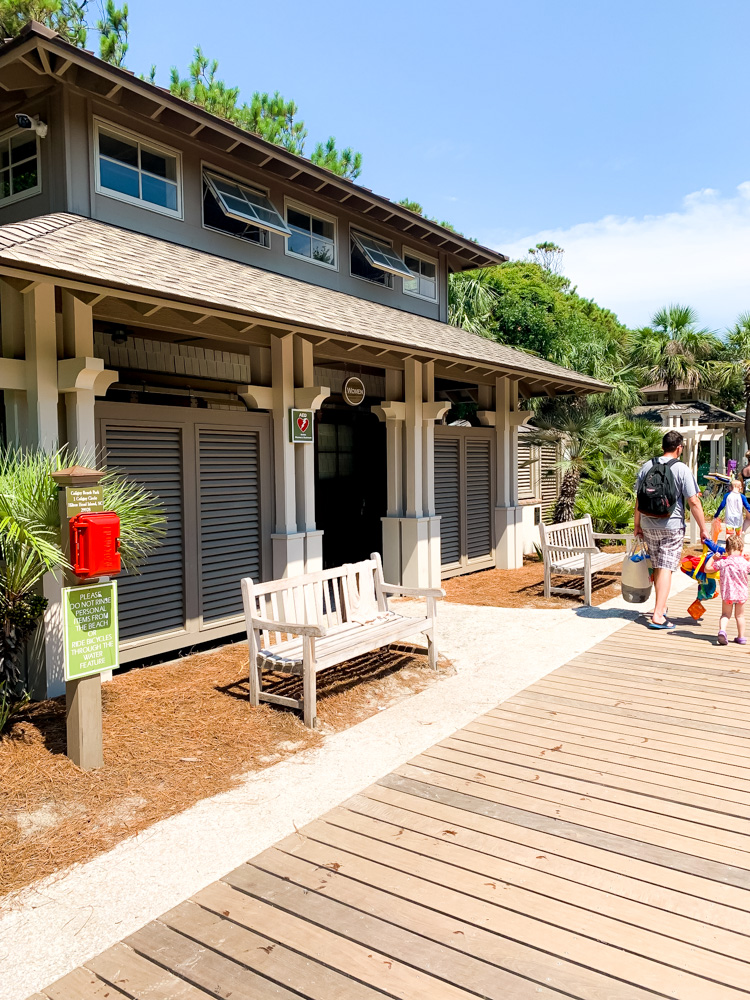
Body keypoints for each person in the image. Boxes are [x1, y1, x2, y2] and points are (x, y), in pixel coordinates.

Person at [635, 429, 708, 630]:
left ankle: (662, 606)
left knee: (659, 566)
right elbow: (693, 501)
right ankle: (658, 615)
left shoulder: (647, 466)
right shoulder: (682, 469)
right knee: (666, 566)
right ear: (679, 448)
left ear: (662, 447)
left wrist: (637, 525)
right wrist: (703, 529)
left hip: (649, 524)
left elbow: (638, 499)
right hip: (672, 525)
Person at [705, 533, 750, 644]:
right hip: (741, 595)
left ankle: (722, 631)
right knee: (740, 616)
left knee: (725, 615)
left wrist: (712, 558)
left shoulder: (723, 562)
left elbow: (707, 569)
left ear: (726, 549)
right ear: (741, 549)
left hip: (728, 594)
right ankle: (741, 637)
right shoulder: (745, 563)